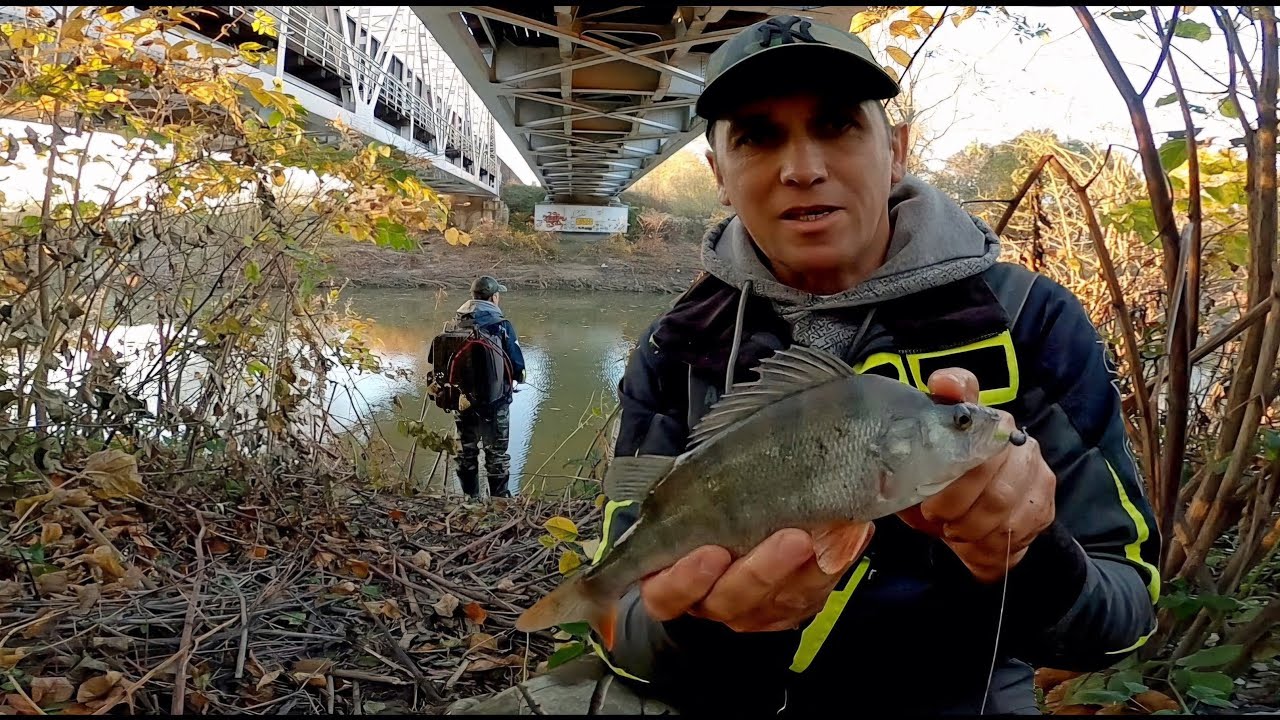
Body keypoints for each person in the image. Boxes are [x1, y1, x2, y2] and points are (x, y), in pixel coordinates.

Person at [585, 14, 1163, 716]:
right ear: (719, 176)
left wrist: (1028, 555)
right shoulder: (676, 347)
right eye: (758, 136)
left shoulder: (1029, 321)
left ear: (896, 151)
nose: (803, 168)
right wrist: (709, 631)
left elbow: (1123, 623)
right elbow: (624, 632)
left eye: (836, 125)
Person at [451, 275, 525, 499]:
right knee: (497, 454)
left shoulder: (456, 322)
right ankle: (499, 502)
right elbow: (518, 365)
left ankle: (469, 499)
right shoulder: (501, 326)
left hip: (462, 400)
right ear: (494, 297)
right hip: (495, 402)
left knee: (466, 451)